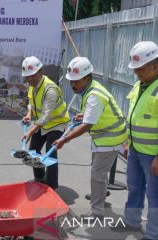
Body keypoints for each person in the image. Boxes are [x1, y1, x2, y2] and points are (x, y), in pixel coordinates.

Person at [54, 56, 127, 220]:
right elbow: (91, 115)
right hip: (103, 138)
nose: (73, 85)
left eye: (77, 81)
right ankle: (100, 194)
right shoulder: (91, 89)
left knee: (96, 175)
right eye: (71, 81)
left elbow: (87, 125)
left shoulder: (94, 95)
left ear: (87, 78)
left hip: (110, 139)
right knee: (99, 174)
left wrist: (64, 139)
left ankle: (97, 212)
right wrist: (83, 115)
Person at [111, 41, 158, 240]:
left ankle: (154, 233)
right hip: (136, 149)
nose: (137, 72)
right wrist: (128, 143)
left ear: (155, 64)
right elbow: (133, 117)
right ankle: (131, 221)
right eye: (135, 69)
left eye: (141, 68)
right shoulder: (139, 85)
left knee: (154, 195)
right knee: (135, 187)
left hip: (153, 154)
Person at [21, 56, 70, 190]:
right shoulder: (32, 86)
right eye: (27, 77)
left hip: (57, 124)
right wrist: (28, 114)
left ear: (40, 72)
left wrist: (30, 132)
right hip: (42, 124)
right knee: (33, 151)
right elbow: (32, 102)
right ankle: (40, 179)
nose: (30, 79)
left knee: (50, 153)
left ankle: (52, 186)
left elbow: (46, 116)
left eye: (32, 76)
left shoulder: (50, 89)